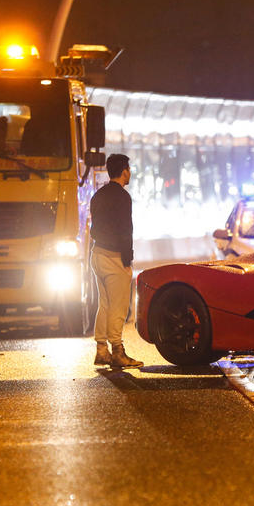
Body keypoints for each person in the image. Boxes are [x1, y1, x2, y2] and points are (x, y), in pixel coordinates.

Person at [89, 153, 143, 369]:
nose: (129, 173)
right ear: (124, 171)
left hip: (97, 255)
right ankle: (118, 351)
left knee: (104, 304)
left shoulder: (98, 195)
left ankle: (101, 350)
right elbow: (125, 230)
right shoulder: (122, 197)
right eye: (128, 169)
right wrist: (127, 259)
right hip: (114, 257)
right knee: (119, 307)